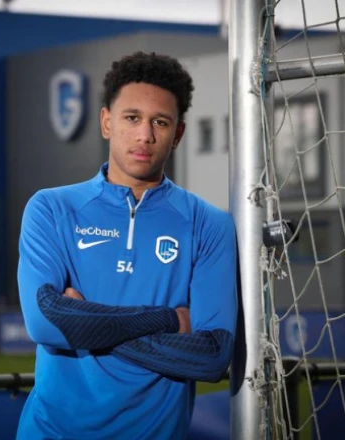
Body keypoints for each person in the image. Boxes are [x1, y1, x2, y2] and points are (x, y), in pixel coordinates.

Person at [17, 51, 237, 440]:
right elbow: (43, 322)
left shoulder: (209, 224)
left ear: (178, 134)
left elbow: (211, 358)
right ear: (106, 122)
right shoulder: (51, 208)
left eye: (160, 122)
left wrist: (83, 322)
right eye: (132, 118)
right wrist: (168, 320)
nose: (144, 135)